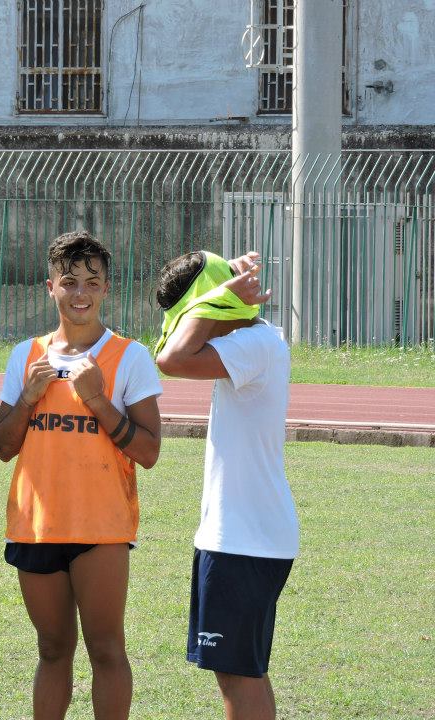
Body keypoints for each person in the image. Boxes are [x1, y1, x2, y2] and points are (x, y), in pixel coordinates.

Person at [0, 231, 162, 720]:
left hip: (100, 529)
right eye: (69, 282)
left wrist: (97, 400)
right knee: (51, 651)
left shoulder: (129, 356)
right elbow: (4, 447)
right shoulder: (26, 355)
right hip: (37, 526)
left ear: (107, 288)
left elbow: (148, 452)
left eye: (92, 281)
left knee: (106, 650)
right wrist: (27, 397)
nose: (80, 293)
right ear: (51, 287)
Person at [154, 250, 300, 720]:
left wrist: (215, 296)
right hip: (240, 536)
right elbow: (176, 348)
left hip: (245, 540)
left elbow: (171, 359)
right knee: (243, 670)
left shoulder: (253, 345)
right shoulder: (255, 340)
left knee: (238, 674)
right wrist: (219, 294)